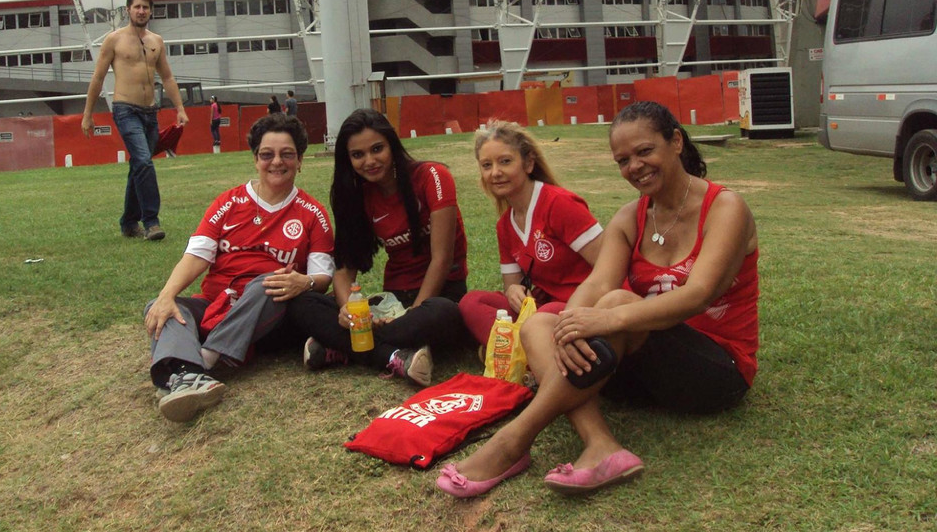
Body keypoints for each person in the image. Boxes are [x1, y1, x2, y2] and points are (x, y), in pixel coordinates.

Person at [436, 101, 759, 498]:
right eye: (623, 160)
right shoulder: (630, 217)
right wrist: (568, 327)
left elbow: (698, 294)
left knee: (617, 303)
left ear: (676, 141)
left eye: (644, 151)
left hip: (716, 370)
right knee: (539, 325)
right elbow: (596, 283)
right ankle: (602, 444)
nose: (635, 166)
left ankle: (512, 441)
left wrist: (609, 319)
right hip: (640, 371)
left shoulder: (725, 207)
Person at [143, 113, 335, 422]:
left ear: (300, 160)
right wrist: (167, 295)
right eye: (267, 154)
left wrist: (305, 282)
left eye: (287, 154)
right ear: (255, 159)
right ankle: (188, 376)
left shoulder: (313, 213)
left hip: (267, 310)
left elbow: (322, 275)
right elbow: (196, 256)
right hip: (217, 302)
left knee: (271, 282)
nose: (277, 162)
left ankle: (201, 362)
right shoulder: (227, 203)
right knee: (162, 305)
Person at [287, 108, 469, 386]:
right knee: (303, 303)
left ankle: (344, 347)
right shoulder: (357, 196)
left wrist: (413, 313)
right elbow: (344, 271)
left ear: (391, 145)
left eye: (377, 149)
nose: (369, 161)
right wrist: (350, 313)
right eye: (357, 155)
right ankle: (392, 353)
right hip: (392, 301)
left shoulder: (432, 176)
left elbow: (442, 259)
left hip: (438, 295)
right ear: (348, 159)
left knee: (443, 314)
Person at [460, 120, 603, 347]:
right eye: (486, 165)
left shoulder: (559, 204)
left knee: (544, 316)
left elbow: (610, 266)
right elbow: (512, 285)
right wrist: (513, 291)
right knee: (472, 302)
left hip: (584, 306)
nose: (495, 173)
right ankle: (522, 350)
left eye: (505, 161)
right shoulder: (505, 225)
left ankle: (514, 349)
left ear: (528, 164)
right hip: (543, 308)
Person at [81, 0, 188, 241]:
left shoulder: (156, 41)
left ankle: (129, 223)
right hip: (125, 109)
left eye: (145, 7)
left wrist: (180, 108)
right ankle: (151, 222)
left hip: (150, 112)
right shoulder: (114, 40)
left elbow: (168, 77)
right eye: (137, 7)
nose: (141, 11)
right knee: (143, 161)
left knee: (139, 165)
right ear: (128, 10)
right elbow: (97, 78)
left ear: (150, 11)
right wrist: (88, 114)